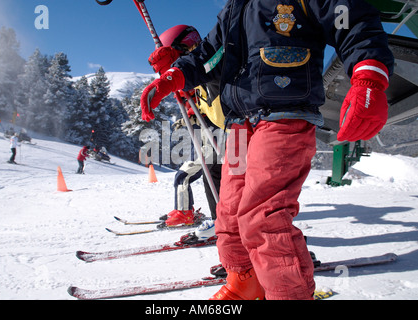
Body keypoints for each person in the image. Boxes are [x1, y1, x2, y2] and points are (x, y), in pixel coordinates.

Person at [140, 1, 394, 300]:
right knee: (228, 212)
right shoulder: (235, 8)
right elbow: (209, 55)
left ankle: (289, 294)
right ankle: (243, 282)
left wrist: (369, 78)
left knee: (262, 217)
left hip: (286, 112)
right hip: (238, 123)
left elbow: (356, 26)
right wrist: (177, 73)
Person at [148, 25, 225, 236]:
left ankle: (225, 223)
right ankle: (223, 221)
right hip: (218, 132)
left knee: (212, 172)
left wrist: (180, 73)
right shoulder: (198, 79)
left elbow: (203, 71)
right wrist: (173, 77)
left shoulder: (213, 61)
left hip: (233, 131)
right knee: (214, 172)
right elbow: (194, 91)